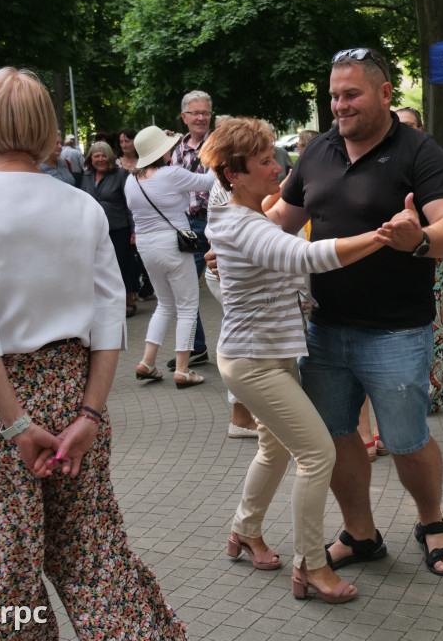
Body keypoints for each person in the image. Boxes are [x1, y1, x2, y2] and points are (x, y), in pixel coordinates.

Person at [0, 67, 186, 640]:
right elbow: (107, 320)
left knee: (5, 563)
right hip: (73, 387)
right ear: (48, 131)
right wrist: (90, 413)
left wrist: (17, 423)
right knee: (92, 550)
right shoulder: (83, 207)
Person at [268, 47, 443, 577]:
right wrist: (233, 237)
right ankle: (361, 533)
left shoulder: (419, 151)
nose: (340, 105)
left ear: (383, 93)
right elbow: (280, 219)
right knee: (334, 436)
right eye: (334, 96)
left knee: (406, 440)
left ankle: (430, 521)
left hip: (397, 330)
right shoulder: (319, 152)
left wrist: (418, 238)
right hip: (325, 327)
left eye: (351, 94)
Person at [201, 116, 401, 603]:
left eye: (275, 156)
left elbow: (280, 223)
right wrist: (380, 237)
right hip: (253, 362)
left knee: (274, 449)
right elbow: (309, 257)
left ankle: (245, 531)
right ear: (233, 174)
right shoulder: (241, 225)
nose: (277, 167)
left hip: (269, 355)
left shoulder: (245, 213)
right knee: (317, 455)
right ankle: (312, 566)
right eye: (265, 161)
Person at [126, 125, 220, 387]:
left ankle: (147, 361)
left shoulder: (130, 180)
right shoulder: (171, 174)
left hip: (146, 246)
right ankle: (182, 369)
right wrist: (217, 156)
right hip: (173, 243)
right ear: (161, 151)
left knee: (165, 305)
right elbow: (208, 182)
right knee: (188, 306)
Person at [397, 106, 443, 413]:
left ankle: (435, 390)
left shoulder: (430, 162)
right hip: (395, 261)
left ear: (421, 128)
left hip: (430, 254)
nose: (403, 130)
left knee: (436, 323)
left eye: (409, 125)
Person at [168, 91, 214, 372]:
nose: (201, 118)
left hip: (220, 221)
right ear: (184, 117)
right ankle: (196, 348)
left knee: (233, 283)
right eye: (195, 113)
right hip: (189, 225)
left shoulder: (221, 143)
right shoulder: (176, 148)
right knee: (182, 287)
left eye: (206, 113)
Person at [82, 141, 140, 317]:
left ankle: (128, 301)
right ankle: (106, 302)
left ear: (110, 157)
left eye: (104, 155)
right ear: (90, 159)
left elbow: (130, 203)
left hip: (119, 227)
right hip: (94, 229)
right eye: (96, 156)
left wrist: (133, 229)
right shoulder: (86, 176)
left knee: (122, 265)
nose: (100, 159)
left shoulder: (121, 174)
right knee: (99, 266)